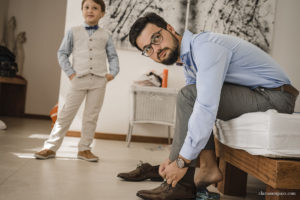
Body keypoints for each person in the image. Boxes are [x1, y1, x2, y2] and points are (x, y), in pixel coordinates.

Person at [128, 12, 299, 200]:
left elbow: (204, 106)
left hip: (276, 96)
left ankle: (181, 186)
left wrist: (180, 162)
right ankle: (208, 169)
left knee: (190, 97)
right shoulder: (189, 60)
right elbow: (193, 110)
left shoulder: (205, 47)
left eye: (156, 38)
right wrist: (171, 159)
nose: (156, 49)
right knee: (191, 96)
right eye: (147, 49)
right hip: (261, 93)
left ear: (170, 28)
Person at [35, 0, 119, 162]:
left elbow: (113, 56)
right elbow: (62, 53)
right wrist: (71, 73)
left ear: (102, 13)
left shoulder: (106, 35)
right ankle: (50, 147)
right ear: (82, 11)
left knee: (91, 116)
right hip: (78, 79)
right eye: (87, 7)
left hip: (98, 81)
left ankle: (85, 149)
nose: (90, 10)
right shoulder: (73, 31)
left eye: (95, 8)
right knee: (66, 114)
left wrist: (112, 73)